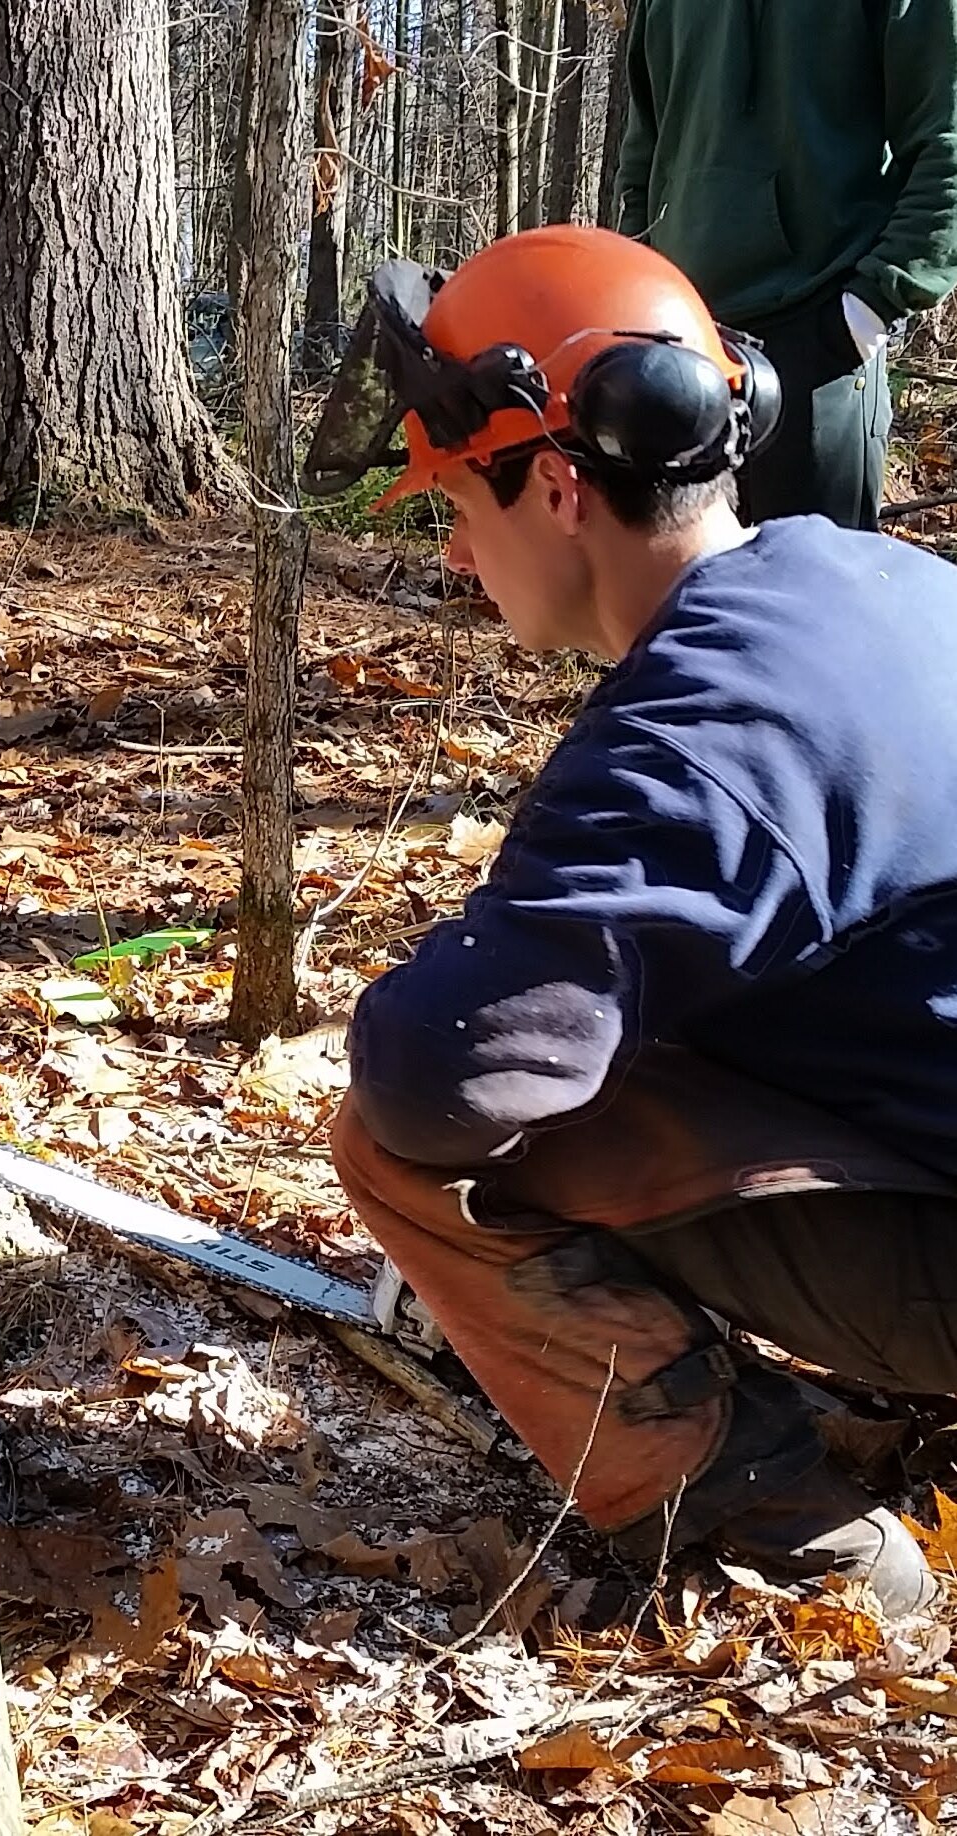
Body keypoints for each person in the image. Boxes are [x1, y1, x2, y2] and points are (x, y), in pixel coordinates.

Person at [316, 225, 957, 1616]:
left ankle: (774, 1532)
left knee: (398, 1138)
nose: (456, 556)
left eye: (459, 509)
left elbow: (441, 1074)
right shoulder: (887, 585)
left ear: (555, 487)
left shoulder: (700, 731)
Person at [613, 0, 957, 533]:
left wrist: (869, 309)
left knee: (816, 608)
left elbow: (947, 139)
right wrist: (638, 299)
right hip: (678, 346)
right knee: (687, 609)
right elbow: (643, 155)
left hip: (819, 342)